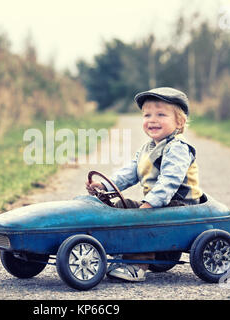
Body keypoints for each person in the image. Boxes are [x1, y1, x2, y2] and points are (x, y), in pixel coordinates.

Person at [85, 87, 203, 282]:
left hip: (179, 205)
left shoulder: (178, 148)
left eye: (161, 114)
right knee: (121, 208)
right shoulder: (147, 148)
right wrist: (104, 186)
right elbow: (130, 173)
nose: (152, 119)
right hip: (160, 203)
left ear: (179, 122)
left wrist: (150, 204)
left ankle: (138, 265)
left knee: (142, 219)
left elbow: (169, 181)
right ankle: (122, 251)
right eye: (147, 115)